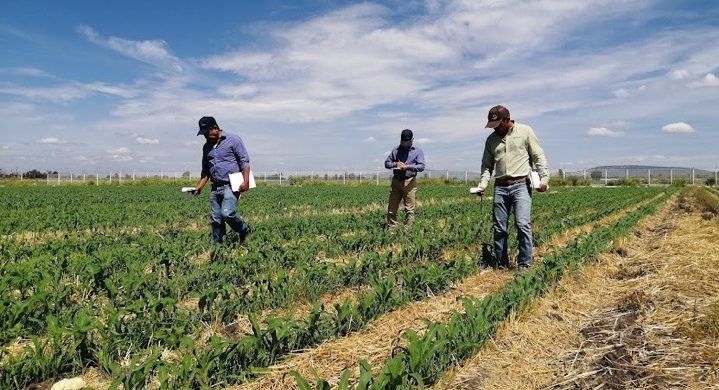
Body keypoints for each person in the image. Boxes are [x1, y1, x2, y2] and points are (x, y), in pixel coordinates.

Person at [475, 105, 549, 270]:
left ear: (507, 120)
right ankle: (502, 264)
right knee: (499, 227)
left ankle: (525, 264)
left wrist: (544, 179)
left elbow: (538, 155)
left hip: (521, 184)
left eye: (497, 125)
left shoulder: (525, 131)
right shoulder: (491, 140)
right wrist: (482, 185)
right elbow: (487, 166)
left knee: (522, 224)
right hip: (500, 187)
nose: (494, 129)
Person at [192, 116, 252, 245]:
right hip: (215, 187)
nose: (205, 137)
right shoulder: (206, 147)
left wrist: (246, 181)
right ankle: (217, 247)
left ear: (215, 128)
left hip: (231, 185)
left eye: (206, 133)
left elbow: (244, 161)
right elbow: (205, 170)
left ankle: (244, 230)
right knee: (216, 219)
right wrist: (199, 187)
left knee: (227, 213)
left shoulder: (233, 140)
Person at [384, 129, 426, 228]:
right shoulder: (395, 150)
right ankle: (392, 229)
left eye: (407, 142)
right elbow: (387, 163)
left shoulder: (417, 151)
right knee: (392, 208)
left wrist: (408, 167)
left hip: (409, 181)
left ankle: (408, 231)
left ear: (412, 140)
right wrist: (396, 164)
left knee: (409, 209)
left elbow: (421, 166)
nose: (405, 144)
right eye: (403, 142)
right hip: (396, 181)